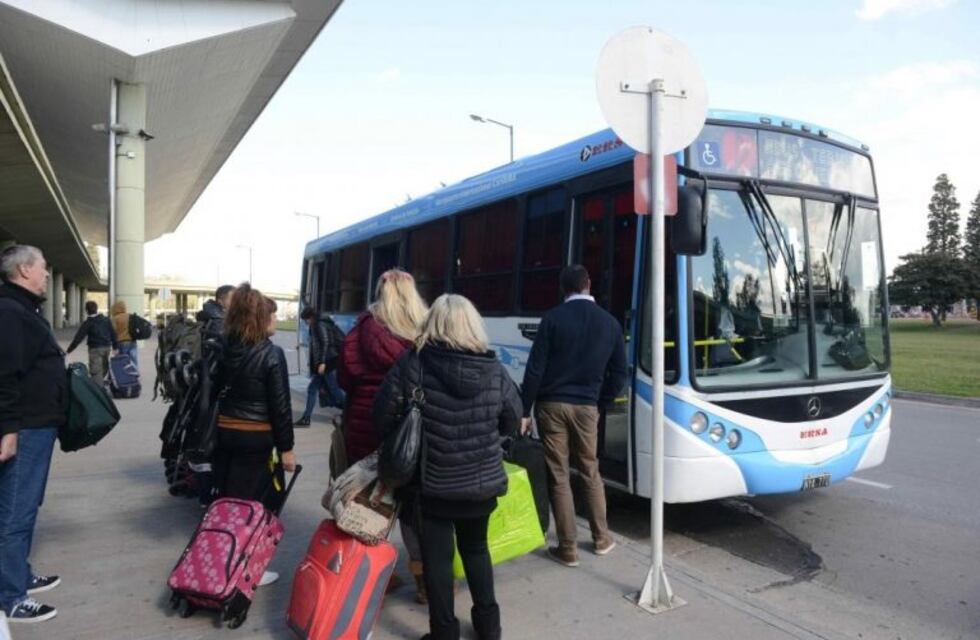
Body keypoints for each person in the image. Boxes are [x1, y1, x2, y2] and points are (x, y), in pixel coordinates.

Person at [374, 294, 521, 640]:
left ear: (432, 324)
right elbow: (512, 419)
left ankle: (444, 633)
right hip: (481, 482)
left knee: (437, 561)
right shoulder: (494, 368)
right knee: (477, 550)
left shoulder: (413, 364)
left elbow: (381, 417)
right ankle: (489, 628)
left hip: (432, 486)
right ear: (473, 325)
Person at [520, 264, 628, 568]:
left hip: (551, 405)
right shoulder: (610, 323)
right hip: (587, 407)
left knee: (559, 474)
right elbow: (620, 373)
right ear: (588, 283)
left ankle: (567, 548)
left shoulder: (552, 319)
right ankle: (602, 538)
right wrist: (600, 402)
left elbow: (535, 369)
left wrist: (524, 410)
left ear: (562, 288)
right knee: (590, 469)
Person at [339, 268, 427, 601]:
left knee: (371, 505)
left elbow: (344, 380)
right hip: (409, 433)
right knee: (414, 511)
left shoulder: (359, 330)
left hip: (363, 427)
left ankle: (375, 575)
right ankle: (425, 581)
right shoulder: (422, 334)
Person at [212, 283, 296, 586]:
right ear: (260, 318)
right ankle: (245, 568)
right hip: (257, 439)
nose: (276, 320)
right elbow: (280, 407)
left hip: (226, 433)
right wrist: (286, 448)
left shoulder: (224, 347)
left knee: (231, 500)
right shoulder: (271, 354)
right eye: (271, 314)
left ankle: (222, 557)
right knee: (260, 503)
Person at [0, 245, 65, 624]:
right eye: (42, 267)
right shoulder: (10, 311)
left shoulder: (20, 308)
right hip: (24, 427)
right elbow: (4, 374)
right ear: (24, 270)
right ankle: (11, 596)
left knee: (24, 505)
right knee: (15, 512)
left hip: (36, 425)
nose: (46, 274)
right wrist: (9, 429)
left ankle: (18, 574)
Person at [296, 306, 345, 427]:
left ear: (310, 317)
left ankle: (353, 410)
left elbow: (325, 342)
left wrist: (322, 362)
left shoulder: (319, 324)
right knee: (312, 389)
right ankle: (306, 419)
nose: (305, 322)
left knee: (335, 390)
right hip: (326, 362)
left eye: (306, 320)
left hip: (328, 362)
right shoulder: (318, 323)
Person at [66, 301, 118, 381]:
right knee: (104, 368)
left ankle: (98, 386)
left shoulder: (88, 323)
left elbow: (78, 338)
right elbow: (113, 333)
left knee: (96, 371)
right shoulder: (106, 320)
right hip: (107, 348)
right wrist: (115, 347)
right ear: (97, 309)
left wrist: (69, 350)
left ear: (86, 311)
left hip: (95, 349)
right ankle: (100, 383)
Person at [111, 299, 138, 367]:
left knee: (122, 362)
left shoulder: (115, 318)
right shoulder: (130, 316)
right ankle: (135, 373)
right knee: (134, 361)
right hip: (132, 341)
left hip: (121, 342)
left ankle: (124, 374)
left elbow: (113, 332)